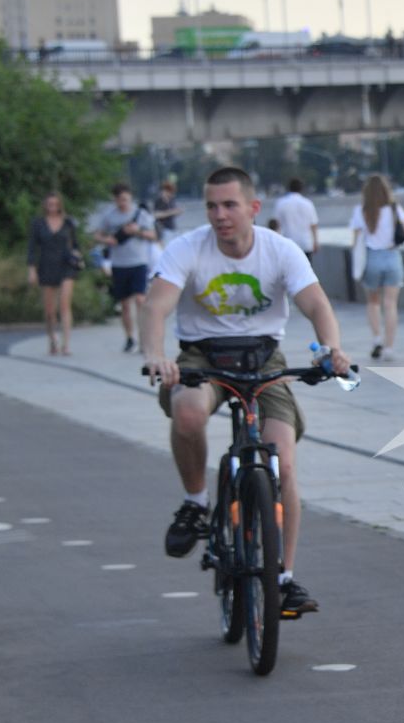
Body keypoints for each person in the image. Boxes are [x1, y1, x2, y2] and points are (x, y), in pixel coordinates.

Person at [140, 165, 351, 619]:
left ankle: (283, 579)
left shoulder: (280, 250)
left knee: (284, 464)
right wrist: (156, 355)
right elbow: (157, 305)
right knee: (190, 414)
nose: (220, 215)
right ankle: (196, 503)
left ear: (253, 208)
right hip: (203, 355)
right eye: (212, 206)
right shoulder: (186, 248)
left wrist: (331, 348)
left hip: (263, 357)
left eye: (230, 205)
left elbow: (316, 303)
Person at [93, 182, 158, 353]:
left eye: (125, 199)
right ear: (115, 200)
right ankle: (129, 337)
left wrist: (137, 231)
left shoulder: (140, 214)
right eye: (119, 200)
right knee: (125, 303)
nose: (123, 203)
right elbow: (97, 234)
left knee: (140, 300)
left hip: (139, 262)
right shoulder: (110, 216)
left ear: (130, 197)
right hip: (119, 263)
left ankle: (145, 338)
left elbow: (153, 235)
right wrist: (107, 240)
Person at [348, 173, 404, 360]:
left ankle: (377, 338)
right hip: (392, 257)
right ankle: (390, 347)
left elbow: (355, 239)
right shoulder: (394, 209)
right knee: (390, 305)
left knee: (373, 303)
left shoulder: (361, 210)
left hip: (371, 258)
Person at [25, 192, 81, 356]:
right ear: (45, 206)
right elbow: (32, 248)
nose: (52, 208)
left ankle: (66, 344)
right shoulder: (38, 224)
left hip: (66, 265)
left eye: (55, 204)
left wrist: (77, 256)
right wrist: (32, 269)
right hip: (46, 265)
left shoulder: (68, 222)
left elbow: (76, 244)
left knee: (64, 303)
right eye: (49, 204)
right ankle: (52, 339)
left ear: (60, 205)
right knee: (50, 311)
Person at [269, 176, 320, 259]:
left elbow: (275, 224)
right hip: (306, 244)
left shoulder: (281, 203)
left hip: (288, 244)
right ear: (301, 188)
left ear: (289, 188)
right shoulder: (308, 204)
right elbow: (313, 225)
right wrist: (315, 242)